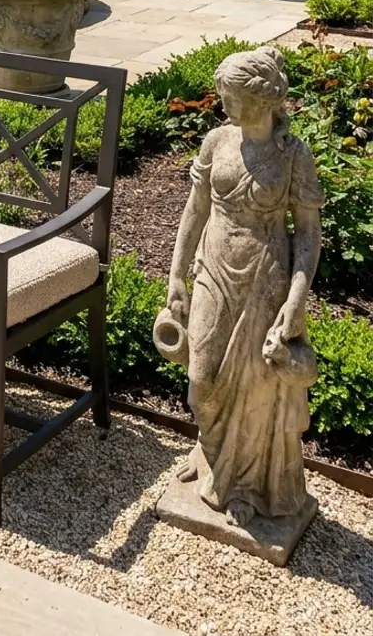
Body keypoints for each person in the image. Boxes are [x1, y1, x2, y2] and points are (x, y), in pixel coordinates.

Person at [156, 46, 322, 528]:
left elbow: (308, 234)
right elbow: (195, 210)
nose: (225, 105)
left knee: (257, 392)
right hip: (214, 271)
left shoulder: (293, 155)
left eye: (233, 97)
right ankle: (210, 451)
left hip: (265, 282)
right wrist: (176, 274)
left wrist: (296, 300)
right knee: (202, 380)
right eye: (224, 96)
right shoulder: (216, 142)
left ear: (264, 99)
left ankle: (243, 485)